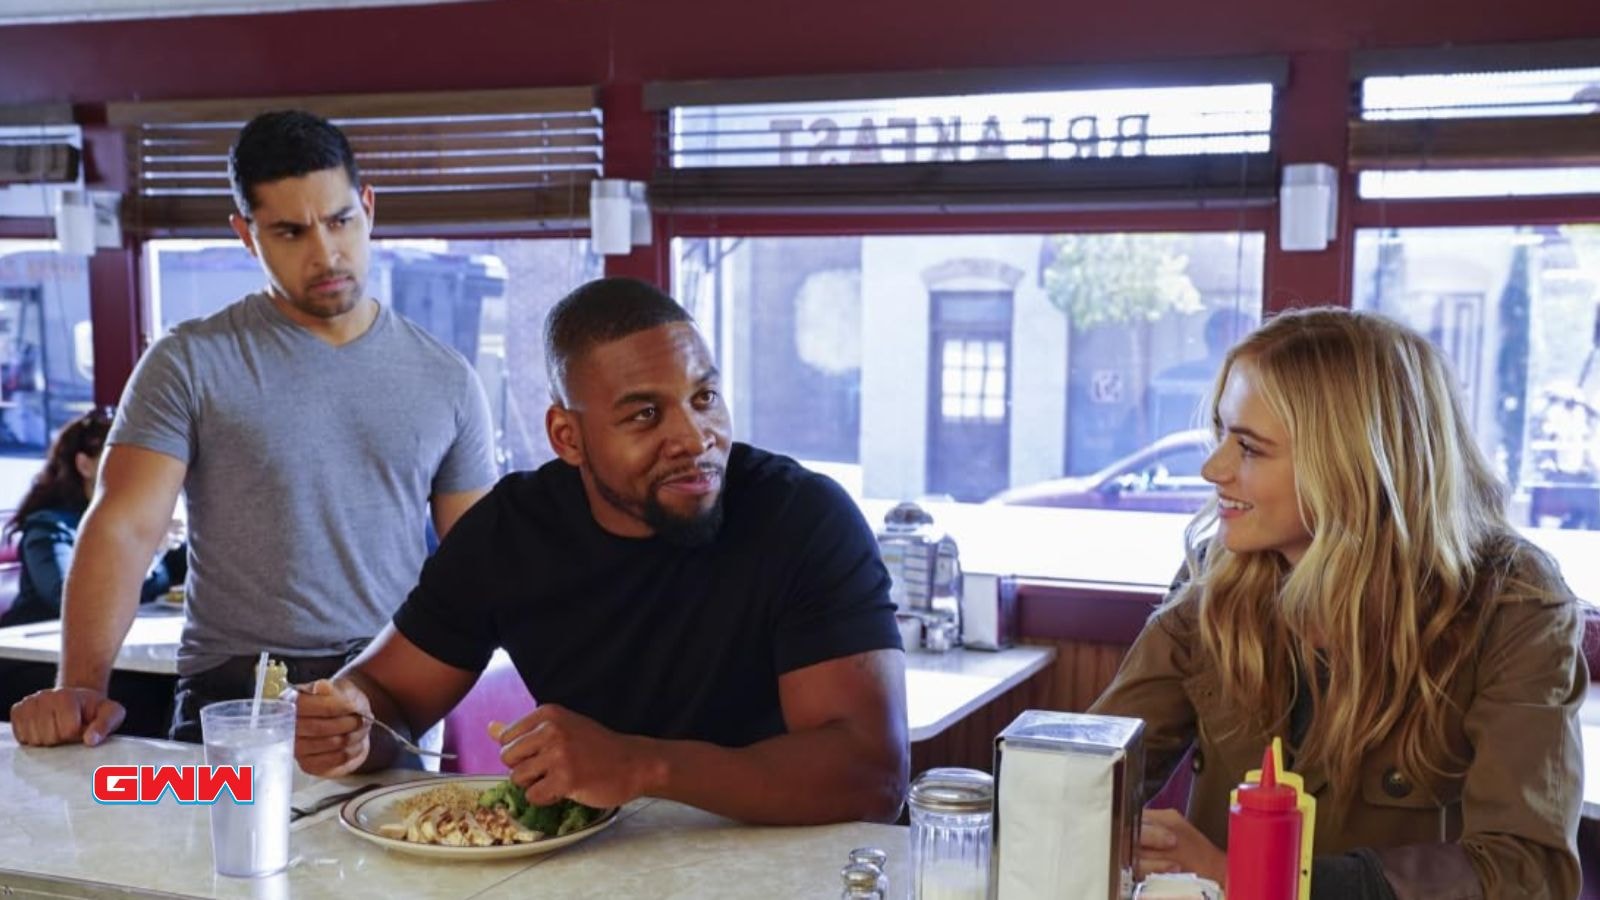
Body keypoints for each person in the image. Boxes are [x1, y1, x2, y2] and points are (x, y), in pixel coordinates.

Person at [294, 277, 909, 826]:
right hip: (604, 872)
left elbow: (870, 776)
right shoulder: (511, 533)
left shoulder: (803, 519)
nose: (695, 438)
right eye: (645, 414)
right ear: (568, 437)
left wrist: (642, 765)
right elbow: (389, 697)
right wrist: (348, 727)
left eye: (704, 398)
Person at [10, 110, 498, 746]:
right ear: (247, 234)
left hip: (383, 698)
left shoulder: (447, 378)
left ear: (369, 208)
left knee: (389, 847)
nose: (326, 253)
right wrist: (81, 687)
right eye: (291, 231)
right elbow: (126, 527)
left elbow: (478, 567)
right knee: (202, 848)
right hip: (234, 695)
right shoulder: (190, 361)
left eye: (340, 221)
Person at [1091, 307, 1586, 900]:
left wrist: (1257, 880)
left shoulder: (1514, 603)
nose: (1212, 468)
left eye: (1249, 448)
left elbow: (1527, 869)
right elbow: (1092, 768)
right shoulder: (1214, 578)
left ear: (1350, 467)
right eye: (1222, 434)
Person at [0, 407, 181, 628]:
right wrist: (150, 552)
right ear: (85, 465)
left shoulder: (137, 521)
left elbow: (199, 575)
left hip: (121, 648)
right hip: (37, 654)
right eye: (123, 460)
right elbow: (74, 604)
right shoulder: (50, 528)